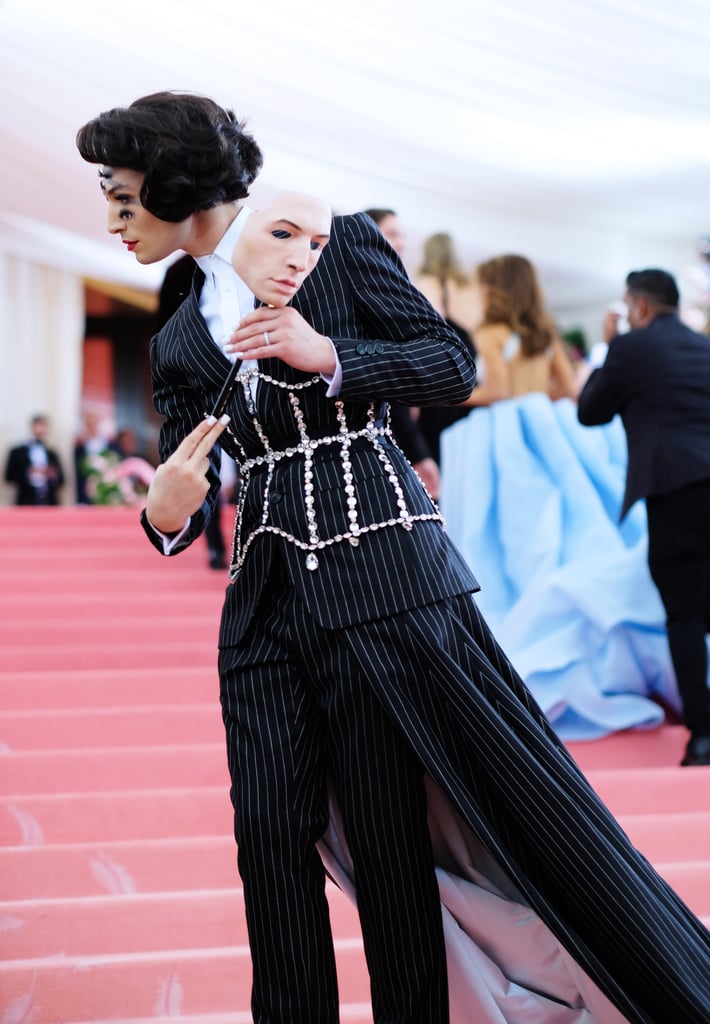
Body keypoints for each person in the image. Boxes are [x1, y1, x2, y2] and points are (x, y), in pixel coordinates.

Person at [77, 92, 710, 1024]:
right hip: (261, 601)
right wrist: (166, 515)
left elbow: (449, 363)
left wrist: (326, 351)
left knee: (387, 841)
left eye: (123, 196)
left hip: (380, 576)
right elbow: (185, 464)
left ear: (178, 185)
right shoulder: (177, 319)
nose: (113, 219)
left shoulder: (329, 248)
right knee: (267, 836)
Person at [440, 254, 677, 739]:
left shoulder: (488, 333)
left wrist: (443, 390)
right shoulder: (545, 333)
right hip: (551, 434)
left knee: (511, 545)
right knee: (563, 532)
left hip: (506, 443)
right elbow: (569, 392)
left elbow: (499, 391)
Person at [578, 269, 710, 767]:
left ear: (639, 306)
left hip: (674, 488)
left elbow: (590, 411)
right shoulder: (704, 346)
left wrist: (610, 346)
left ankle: (703, 736)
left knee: (686, 613)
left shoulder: (632, 347)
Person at [363, 207, 440, 498]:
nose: (402, 242)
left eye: (402, 235)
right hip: (385, 432)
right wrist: (418, 451)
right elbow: (389, 376)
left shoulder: (398, 287)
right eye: (392, 233)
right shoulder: (374, 293)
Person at [411, 232, 478, 463]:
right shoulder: (468, 283)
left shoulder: (429, 280)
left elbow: (431, 320)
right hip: (472, 353)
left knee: (442, 443)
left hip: (448, 352)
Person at [4, 413, 64, 505]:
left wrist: (51, 474)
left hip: (49, 502)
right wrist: (29, 472)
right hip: (26, 501)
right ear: (32, 427)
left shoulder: (52, 453)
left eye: (43, 426)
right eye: (38, 425)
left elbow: (62, 480)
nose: (40, 429)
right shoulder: (17, 452)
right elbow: (9, 477)